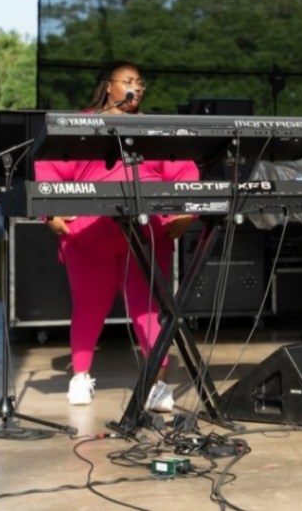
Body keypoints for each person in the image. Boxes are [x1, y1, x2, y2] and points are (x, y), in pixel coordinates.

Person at [34, 61, 198, 409]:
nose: (135, 88)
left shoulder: (154, 129)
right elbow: (48, 166)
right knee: (89, 305)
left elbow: (183, 169)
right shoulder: (80, 125)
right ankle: (80, 376)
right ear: (108, 86)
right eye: (127, 81)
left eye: (140, 83)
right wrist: (50, 213)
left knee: (149, 309)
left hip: (147, 229)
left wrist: (187, 212)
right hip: (90, 231)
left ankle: (156, 384)